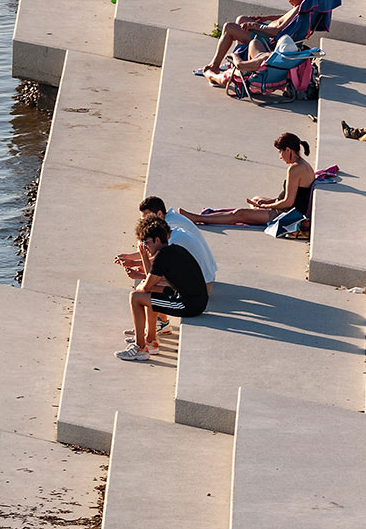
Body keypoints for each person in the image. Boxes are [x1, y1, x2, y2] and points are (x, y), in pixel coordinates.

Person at [117, 216, 210, 365]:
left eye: (146, 242)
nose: (145, 246)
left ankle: (140, 347)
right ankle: (150, 339)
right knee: (151, 292)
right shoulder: (172, 250)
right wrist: (144, 257)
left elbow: (146, 287)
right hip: (196, 301)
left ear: (157, 240)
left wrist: (141, 284)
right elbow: (151, 280)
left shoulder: (163, 257)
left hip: (188, 305)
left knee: (135, 297)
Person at [180, 134, 315, 230]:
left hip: (287, 214)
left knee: (239, 214)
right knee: (256, 199)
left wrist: (267, 206)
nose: (280, 156)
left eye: (280, 152)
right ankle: (255, 214)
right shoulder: (303, 164)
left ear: (288, 150)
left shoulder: (294, 169)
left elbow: (288, 202)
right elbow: (293, 196)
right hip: (288, 209)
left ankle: (197, 218)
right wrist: (269, 202)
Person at [196, 0, 310, 77]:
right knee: (242, 19)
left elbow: (276, 31)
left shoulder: (298, 10)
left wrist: (255, 26)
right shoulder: (301, 9)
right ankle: (238, 57)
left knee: (229, 27)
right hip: (267, 36)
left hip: (267, 41)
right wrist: (265, 18)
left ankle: (214, 67)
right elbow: (283, 18)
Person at [116, 197, 218, 291]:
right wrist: (131, 258)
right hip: (204, 277)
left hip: (203, 285)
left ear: (159, 214)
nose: (145, 221)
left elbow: (156, 262)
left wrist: (135, 264)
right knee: (150, 275)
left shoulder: (172, 237)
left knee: (143, 288)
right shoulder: (172, 227)